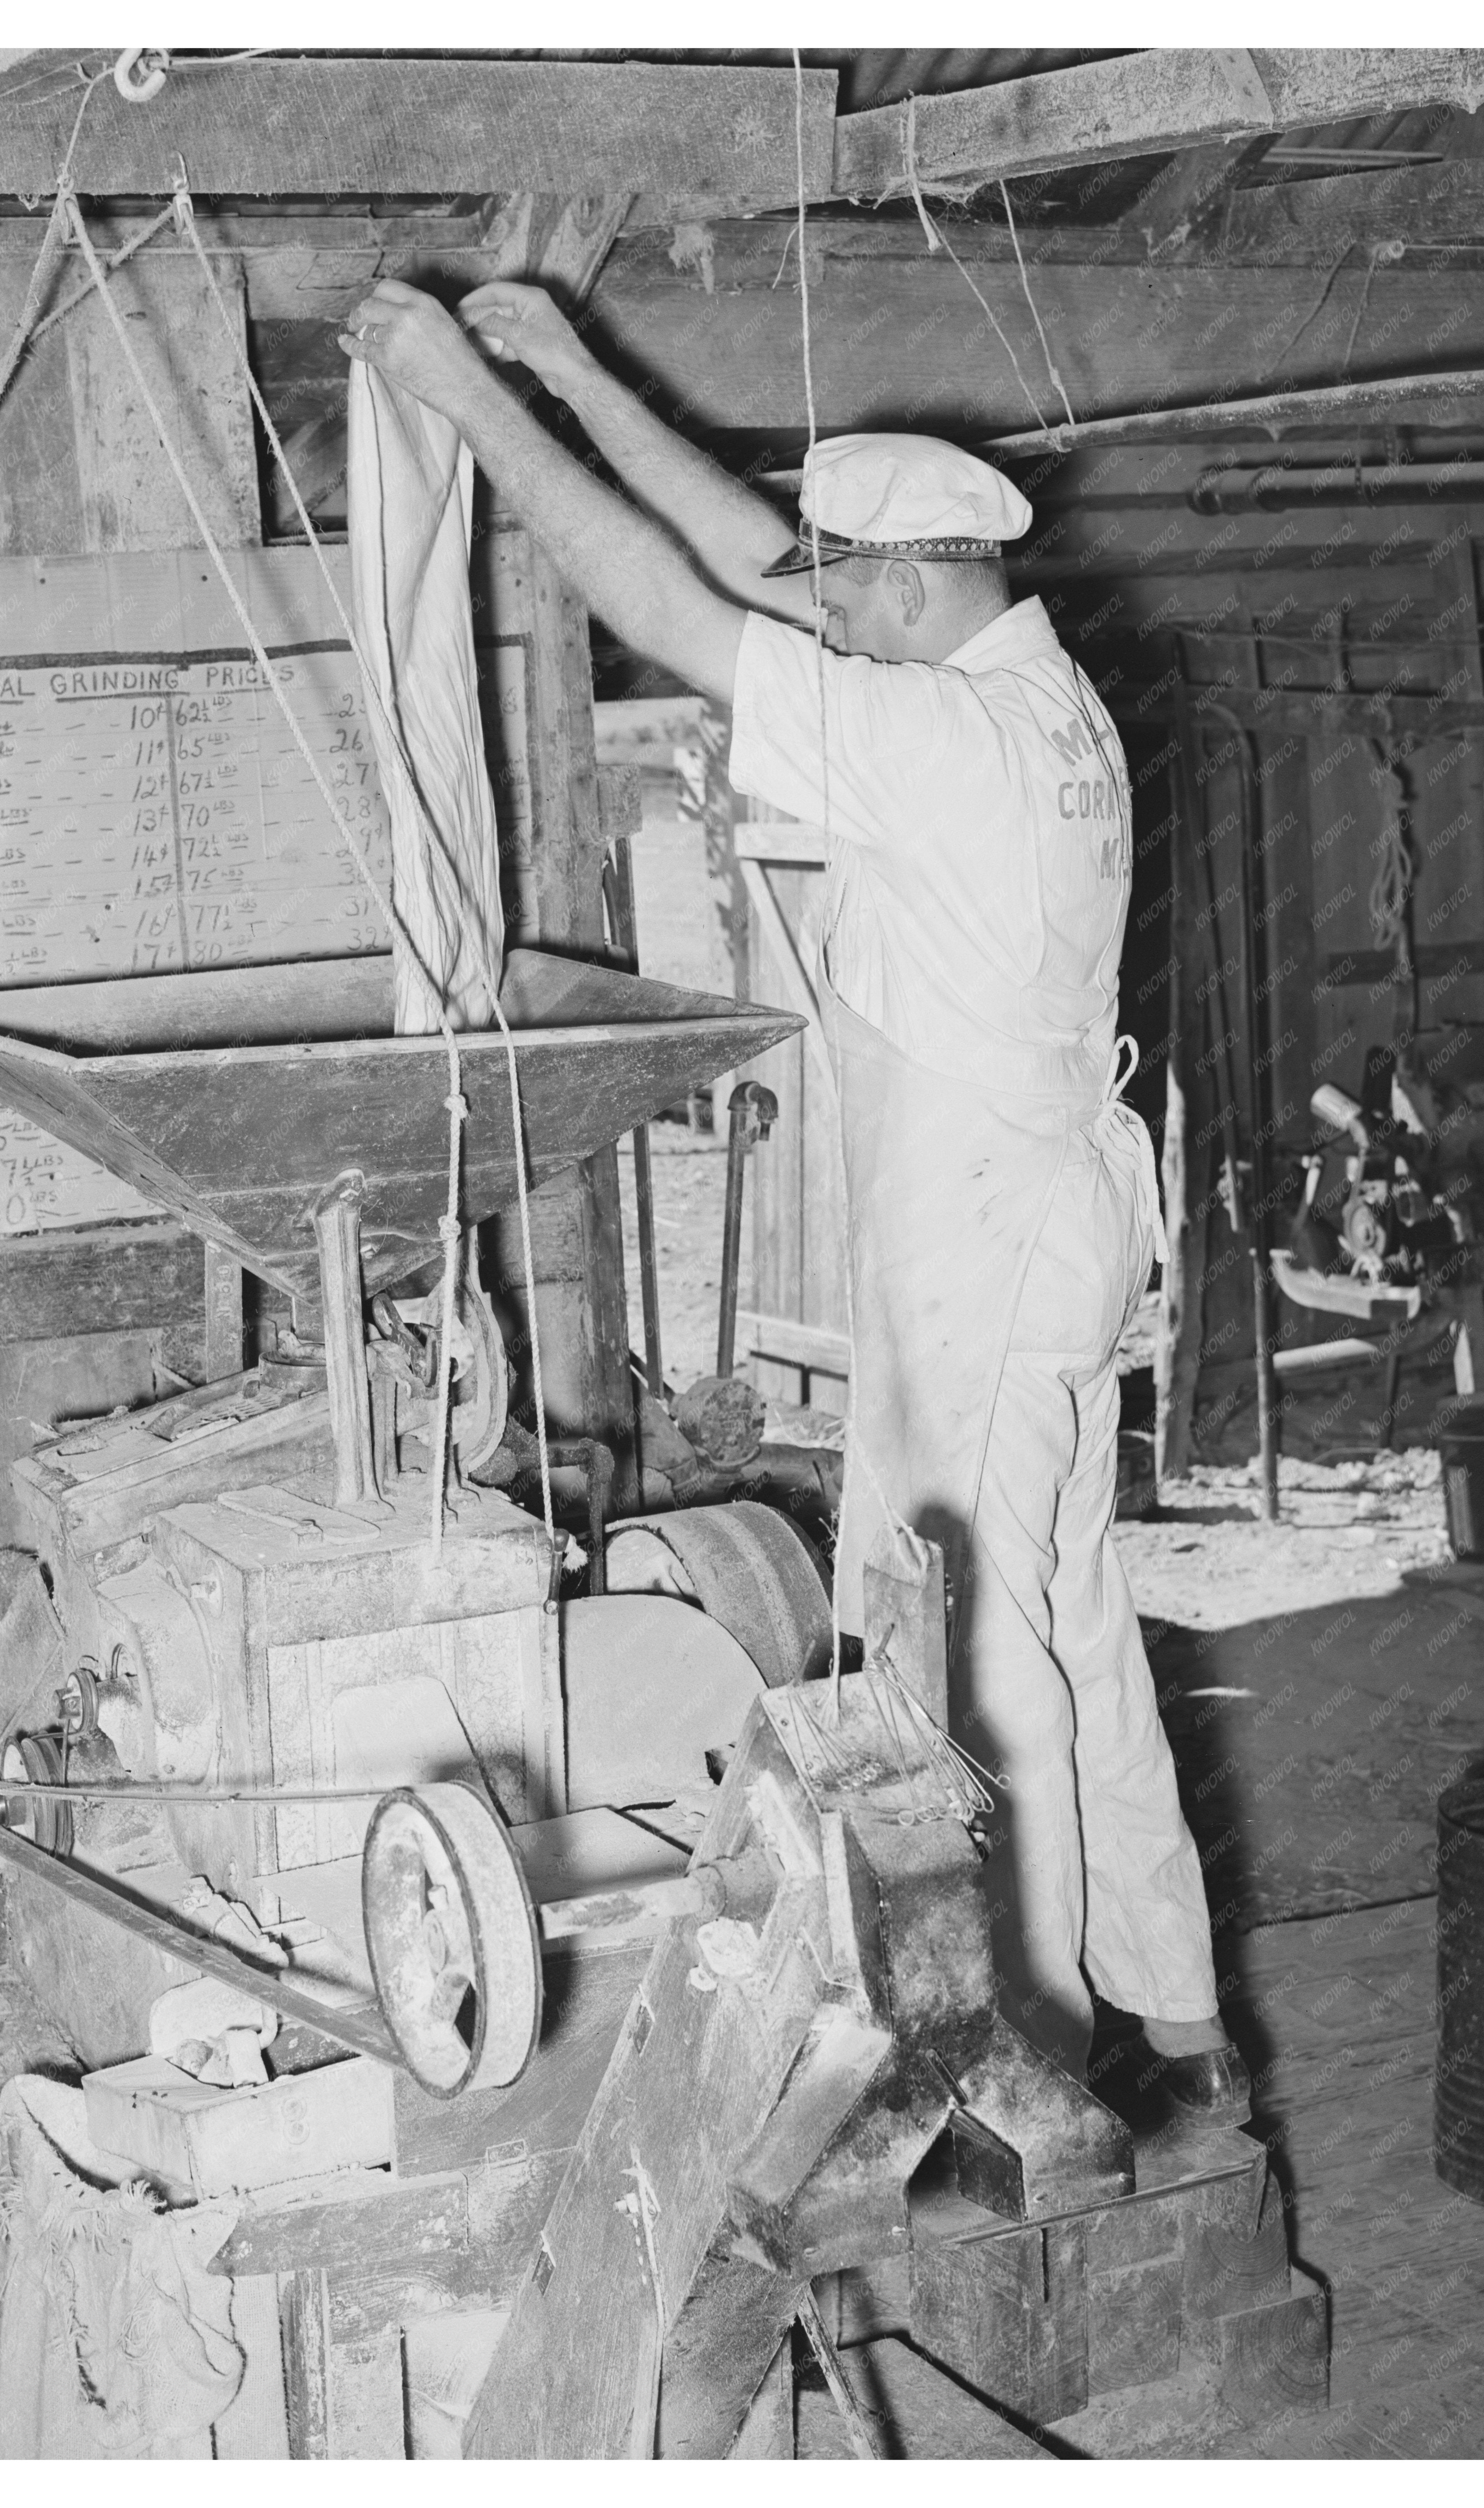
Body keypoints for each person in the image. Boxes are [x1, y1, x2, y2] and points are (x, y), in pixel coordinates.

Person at [340, 276, 1246, 2115]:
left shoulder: (943, 749)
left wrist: (460, 396)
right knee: (1071, 1622)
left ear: (905, 594)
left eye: (842, 593)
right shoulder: (1025, 695)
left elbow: (678, 606)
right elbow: (756, 567)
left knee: (976, 1653)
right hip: (1057, 1221)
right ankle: (1176, 2023)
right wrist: (576, 370)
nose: (811, 605)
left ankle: (1035, 2057)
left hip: (986, 1239)